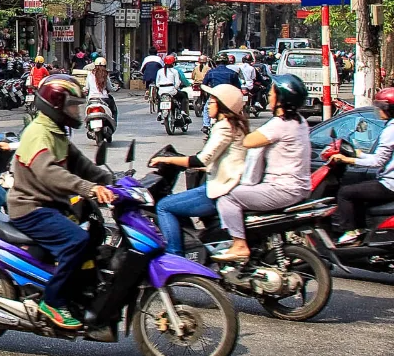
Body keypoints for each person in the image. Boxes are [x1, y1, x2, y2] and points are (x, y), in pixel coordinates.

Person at [8, 75, 115, 330]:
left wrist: (115, 182)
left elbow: (84, 166)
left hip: (52, 206)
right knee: (76, 242)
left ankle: (77, 294)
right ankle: (53, 302)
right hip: (30, 208)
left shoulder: (56, 133)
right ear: (55, 105)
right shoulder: (38, 133)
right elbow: (49, 173)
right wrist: (89, 189)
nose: (76, 111)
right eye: (72, 106)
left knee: (94, 238)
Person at [213, 74, 313, 262]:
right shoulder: (299, 121)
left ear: (281, 99)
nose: (268, 95)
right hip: (298, 187)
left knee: (227, 197)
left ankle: (239, 245)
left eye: (272, 92)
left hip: (281, 188)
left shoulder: (279, 125)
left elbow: (249, 141)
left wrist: (234, 120)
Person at [149, 84, 249, 254]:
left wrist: (167, 159)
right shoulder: (236, 125)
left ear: (223, 105)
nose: (207, 105)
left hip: (220, 189)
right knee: (178, 206)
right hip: (229, 183)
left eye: (211, 102)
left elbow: (201, 159)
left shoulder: (224, 126)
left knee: (164, 206)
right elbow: (223, 158)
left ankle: (175, 255)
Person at [329, 87, 394, 246]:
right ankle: (363, 229)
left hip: (390, 184)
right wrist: (359, 154)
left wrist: (347, 160)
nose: (377, 111)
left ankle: (350, 232)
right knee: (358, 187)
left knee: (345, 192)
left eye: (380, 107)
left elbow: (378, 162)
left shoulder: (391, 130)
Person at [86, 56, 118, 124]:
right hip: (104, 99)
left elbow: (87, 88)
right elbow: (110, 88)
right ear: (105, 66)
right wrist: (115, 88)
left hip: (92, 99)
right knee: (114, 111)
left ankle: (87, 124)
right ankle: (113, 123)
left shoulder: (89, 74)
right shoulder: (105, 75)